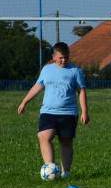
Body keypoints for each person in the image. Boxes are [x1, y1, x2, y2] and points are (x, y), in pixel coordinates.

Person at [17, 42, 88, 179]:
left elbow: (82, 91)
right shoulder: (47, 70)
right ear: (54, 57)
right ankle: (50, 168)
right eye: (61, 57)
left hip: (68, 113)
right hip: (48, 112)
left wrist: (84, 112)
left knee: (66, 142)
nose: (64, 60)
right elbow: (38, 86)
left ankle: (65, 172)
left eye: (66, 57)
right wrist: (24, 101)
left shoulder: (75, 71)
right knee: (44, 136)